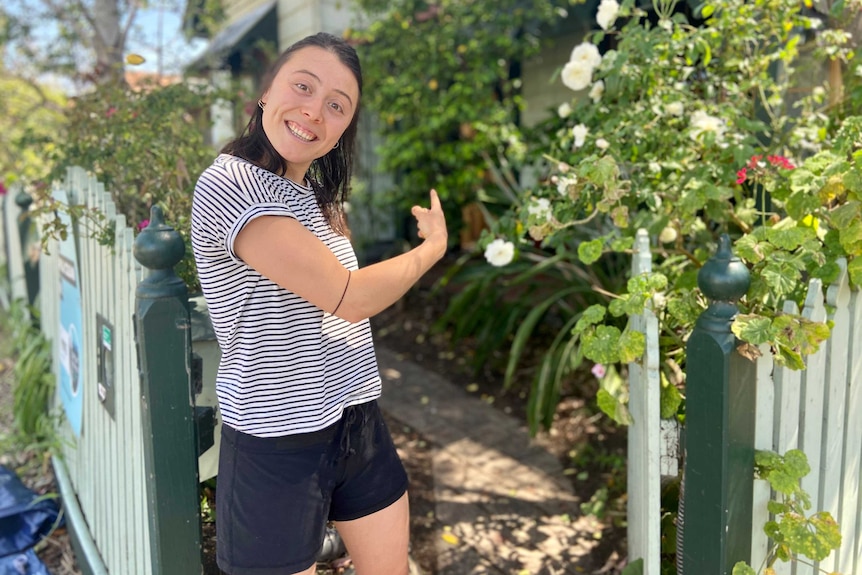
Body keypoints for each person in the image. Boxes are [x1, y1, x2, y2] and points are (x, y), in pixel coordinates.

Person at [190, 32, 447, 575]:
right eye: (302, 86)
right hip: (276, 439)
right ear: (266, 92)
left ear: (342, 131)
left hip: (354, 417)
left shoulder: (311, 194)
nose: (314, 111)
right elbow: (348, 298)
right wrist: (432, 251)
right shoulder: (229, 183)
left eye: (337, 106)